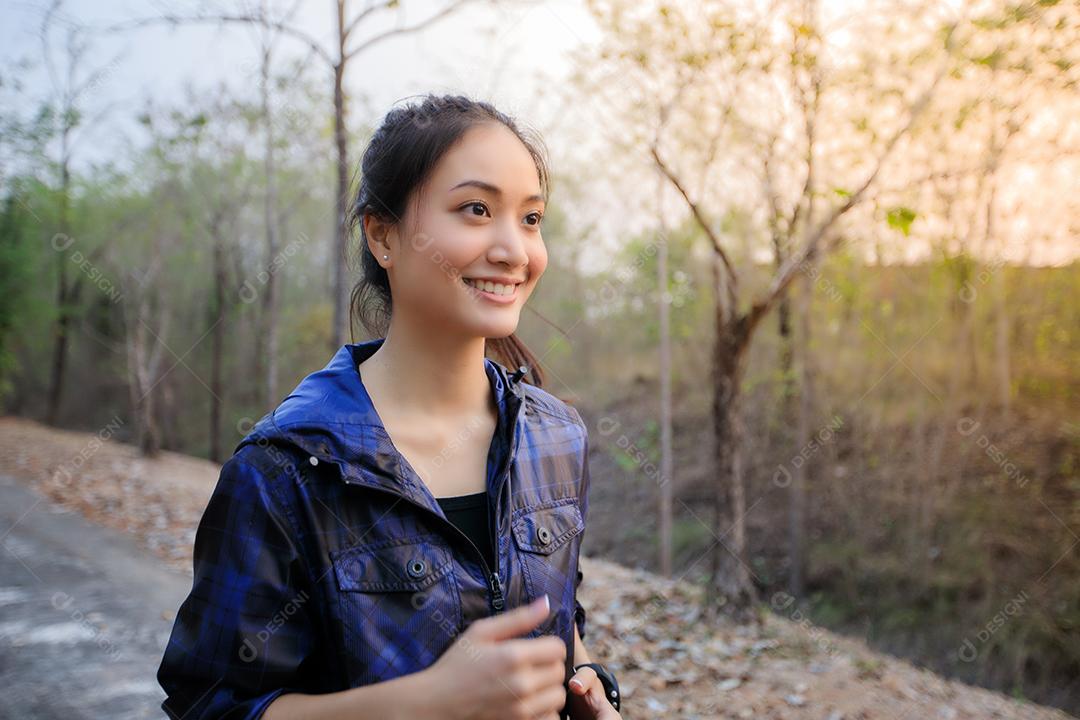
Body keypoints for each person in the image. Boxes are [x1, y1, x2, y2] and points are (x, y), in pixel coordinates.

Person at [157, 93, 623, 720]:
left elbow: (554, 612)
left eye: (532, 217)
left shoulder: (556, 437)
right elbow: (211, 706)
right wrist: (424, 705)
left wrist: (584, 673)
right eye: (476, 209)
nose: (515, 250)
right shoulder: (287, 471)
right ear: (382, 235)